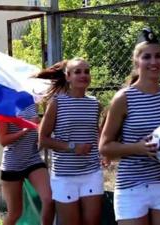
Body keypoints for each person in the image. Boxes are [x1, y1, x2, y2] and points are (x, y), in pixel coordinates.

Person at [99, 28, 160, 225]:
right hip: (131, 187)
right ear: (136, 62)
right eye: (147, 57)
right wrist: (138, 148)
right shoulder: (123, 98)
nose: (153, 62)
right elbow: (105, 147)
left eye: (158, 56)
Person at [38, 58, 103, 225]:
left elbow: (96, 132)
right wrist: (73, 147)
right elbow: (43, 139)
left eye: (87, 72)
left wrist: (103, 152)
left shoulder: (95, 104)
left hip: (92, 172)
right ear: (68, 77)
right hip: (65, 176)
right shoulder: (57, 103)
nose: (83, 75)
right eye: (78, 72)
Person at [0, 104, 54, 225]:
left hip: (33, 159)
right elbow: (3, 140)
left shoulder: (33, 102)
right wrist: (26, 129)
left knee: (49, 199)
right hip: (12, 164)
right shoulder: (4, 106)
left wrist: (40, 128)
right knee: (15, 213)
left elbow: (39, 132)